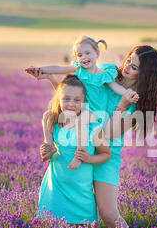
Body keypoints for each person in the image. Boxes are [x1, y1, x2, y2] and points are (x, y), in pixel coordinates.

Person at [26, 43, 157, 228]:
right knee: (67, 210)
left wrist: (122, 105)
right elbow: (73, 99)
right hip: (81, 148)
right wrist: (49, 77)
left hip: (107, 156)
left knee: (108, 214)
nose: (126, 67)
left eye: (134, 67)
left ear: (146, 74)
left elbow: (106, 134)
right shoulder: (106, 73)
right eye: (128, 60)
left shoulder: (136, 106)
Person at [25, 35, 138, 170]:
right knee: (48, 115)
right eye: (79, 55)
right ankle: (49, 146)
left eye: (87, 53)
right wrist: (40, 69)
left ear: (97, 53)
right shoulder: (78, 70)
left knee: (81, 120)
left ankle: (79, 155)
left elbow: (116, 87)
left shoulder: (104, 75)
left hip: (96, 116)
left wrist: (127, 94)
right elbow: (58, 68)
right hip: (80, 111)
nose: (84, 57)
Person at [37, 74, 111, 228]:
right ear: (59, 99)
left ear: (84, 102)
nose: (71, 104)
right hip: (56, 189)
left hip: (81, 193)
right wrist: (47, 151)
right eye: (66, 99)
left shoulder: (93, 128)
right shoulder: (55, 124)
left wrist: (89, 159)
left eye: (77, 100)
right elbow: (48, 149)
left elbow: (106, 154)